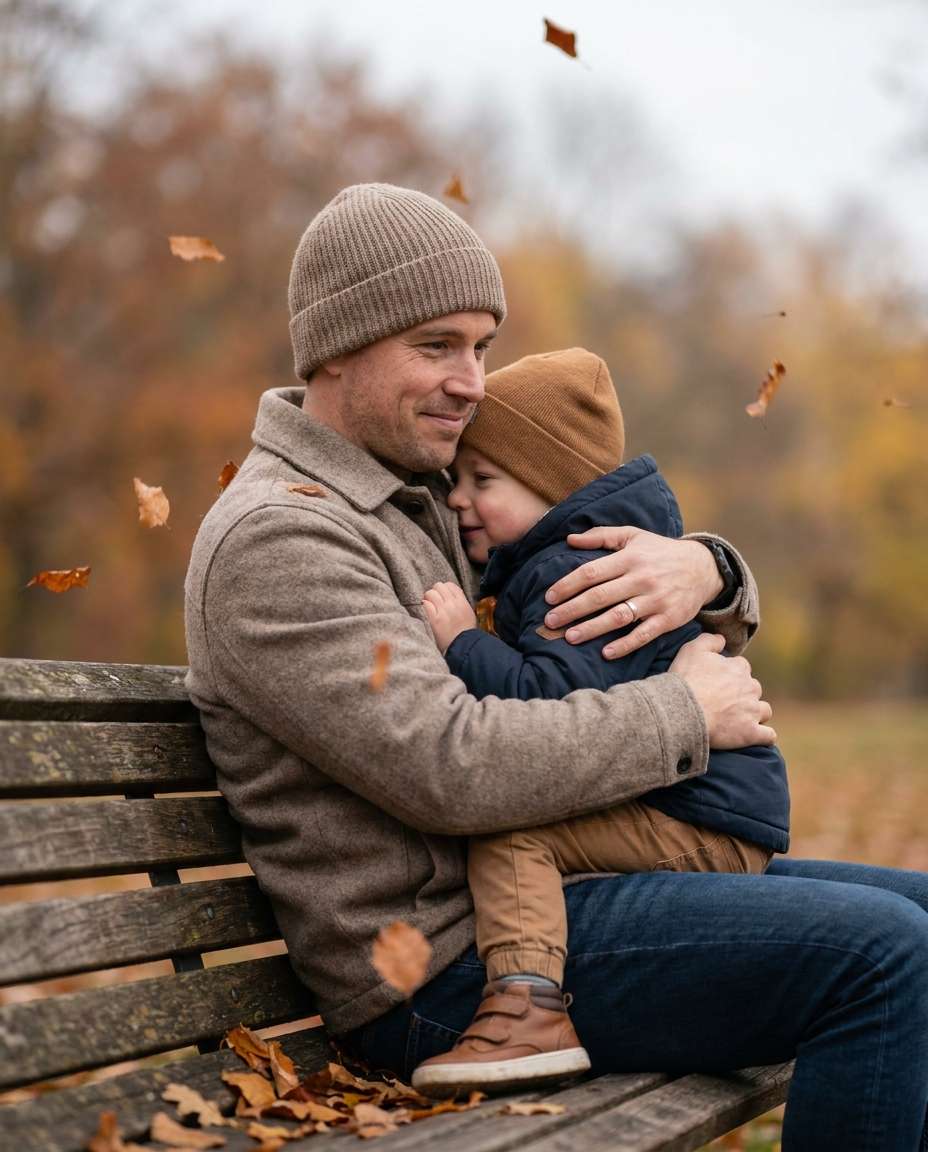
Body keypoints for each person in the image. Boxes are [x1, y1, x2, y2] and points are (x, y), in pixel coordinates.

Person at [184, 183, 928, 1149]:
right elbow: (449, 766)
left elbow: (583, 557)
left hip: (546, 899)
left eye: (482, 347)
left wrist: (710, 566)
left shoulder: (413, 495)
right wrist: (683, 715)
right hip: (451, 977)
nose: (473, 382)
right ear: (335, 347)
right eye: (437, 346)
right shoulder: (282, 538)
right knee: (885, 959)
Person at [411, 347, 789, 1094]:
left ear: (552, 490)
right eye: (458, 480)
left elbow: (545, 700)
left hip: (695, 815)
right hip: (708, 809)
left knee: (514, 829)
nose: (458, 500)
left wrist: (463, 644)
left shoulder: (572, 575)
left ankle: (526, 1006)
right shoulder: (569, 559)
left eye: (482, 481)